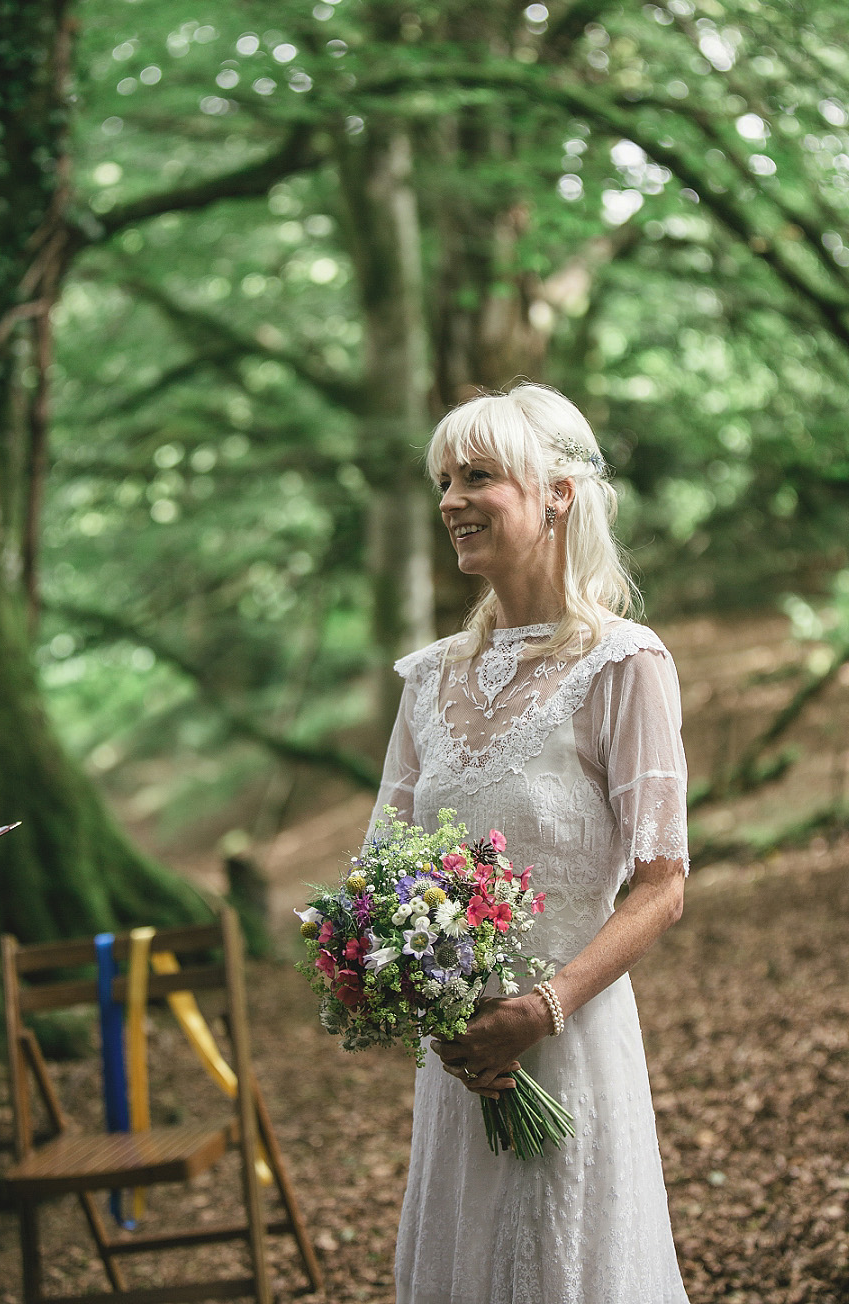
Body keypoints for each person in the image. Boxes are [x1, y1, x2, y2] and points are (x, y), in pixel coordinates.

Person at [369, 382, 691, 1304]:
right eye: (444, 480)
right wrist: (411, 989)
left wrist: (539, 1010)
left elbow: (662, 885)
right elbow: (383, 873)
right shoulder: (427, 681)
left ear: (557, 493)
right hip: (460, 1064)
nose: (451, 500)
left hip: (570, 1044)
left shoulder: (624, 665)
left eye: (479, 476)